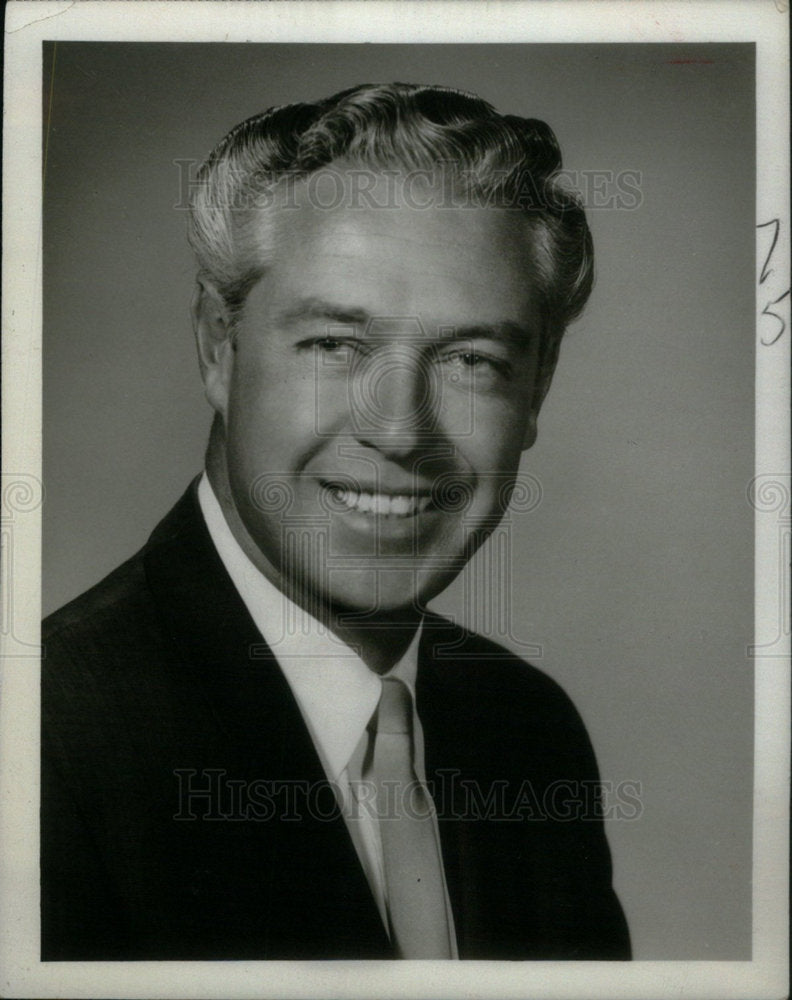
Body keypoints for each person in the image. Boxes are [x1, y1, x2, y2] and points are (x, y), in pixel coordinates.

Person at [41, 82, 631, 961]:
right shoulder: (44, 739)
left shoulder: (528, 734)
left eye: (472, 359)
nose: (399, 431)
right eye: (336, 345)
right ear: (218, 344)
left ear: (537, 388)